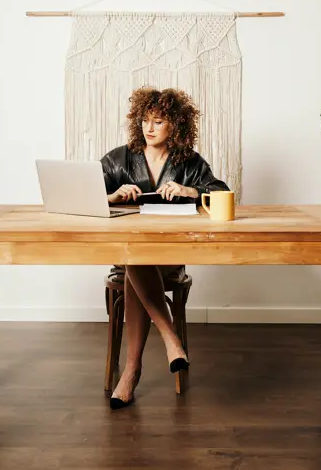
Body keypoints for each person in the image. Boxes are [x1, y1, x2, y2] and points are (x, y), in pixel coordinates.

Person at [101, 87, 229, 409]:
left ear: (176, 125)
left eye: (158, 121)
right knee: (134, 256)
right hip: (130, 257)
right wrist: (112, 196)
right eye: (145, 120)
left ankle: (131, 372)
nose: (150, 128)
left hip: (169, 258)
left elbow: (222, 191)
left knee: (135, 260)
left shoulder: (188, 162)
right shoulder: (120, 159)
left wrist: (190, 190)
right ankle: (171, 340)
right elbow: (83, 191)